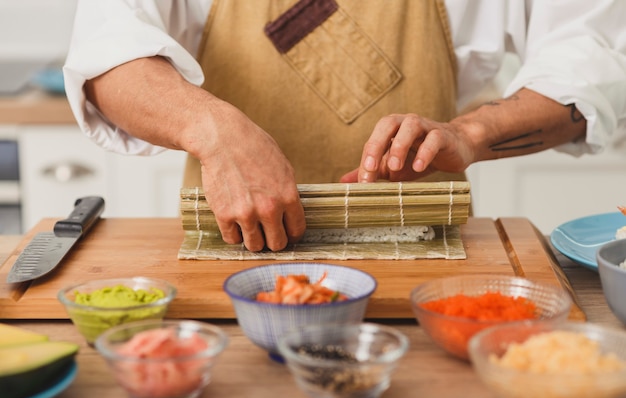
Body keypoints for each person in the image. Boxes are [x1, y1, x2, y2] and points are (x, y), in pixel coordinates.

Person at [63, 0, 626, 253]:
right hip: (232, 257)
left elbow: (589, 60)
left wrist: (470, 135)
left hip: (421, 264)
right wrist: (213, 129)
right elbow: (107, 52)